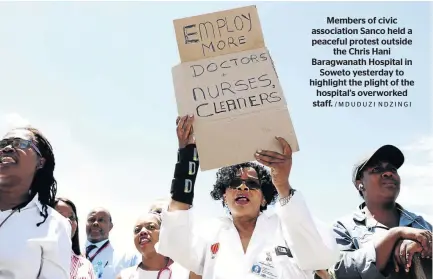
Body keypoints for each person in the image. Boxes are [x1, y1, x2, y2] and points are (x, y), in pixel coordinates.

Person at [156, 115, 340, 279]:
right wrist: (187, 156)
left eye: (252, 184)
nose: (243, 186)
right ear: (223, 196)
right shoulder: (211, 233)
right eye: (234, 183)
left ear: (265, 198)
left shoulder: (287, 226)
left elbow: (321, 256)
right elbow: (174, 242)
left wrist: (283, 185)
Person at [330, 144, 432, 279]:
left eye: (393, 169)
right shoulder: (342, 228)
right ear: (359, 183)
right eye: (377, 169)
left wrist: (422, 248)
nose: (388, 173)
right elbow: (338, 272)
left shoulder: (421, 224)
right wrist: (394, 236)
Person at [0, 127, 72, 279]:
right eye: (3, 143)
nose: (6, 148)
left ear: (40, 162)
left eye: (19, 143)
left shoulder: (54, 225)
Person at [117, 201, 189, 279]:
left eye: (151, 227)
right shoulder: (124, 276)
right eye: (137, 230)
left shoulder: (187, 273)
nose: (142, 232)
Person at [85, 207, 139, 279]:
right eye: (91, 220)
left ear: (110, 226)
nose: (95, 223)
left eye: (101, 220)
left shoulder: (128, 258)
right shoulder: (72, 252)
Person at [55, 197, 96, 279]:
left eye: (71, 217)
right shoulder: (35, 256)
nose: (68, 221)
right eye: (60, 216)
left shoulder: (85, 265)